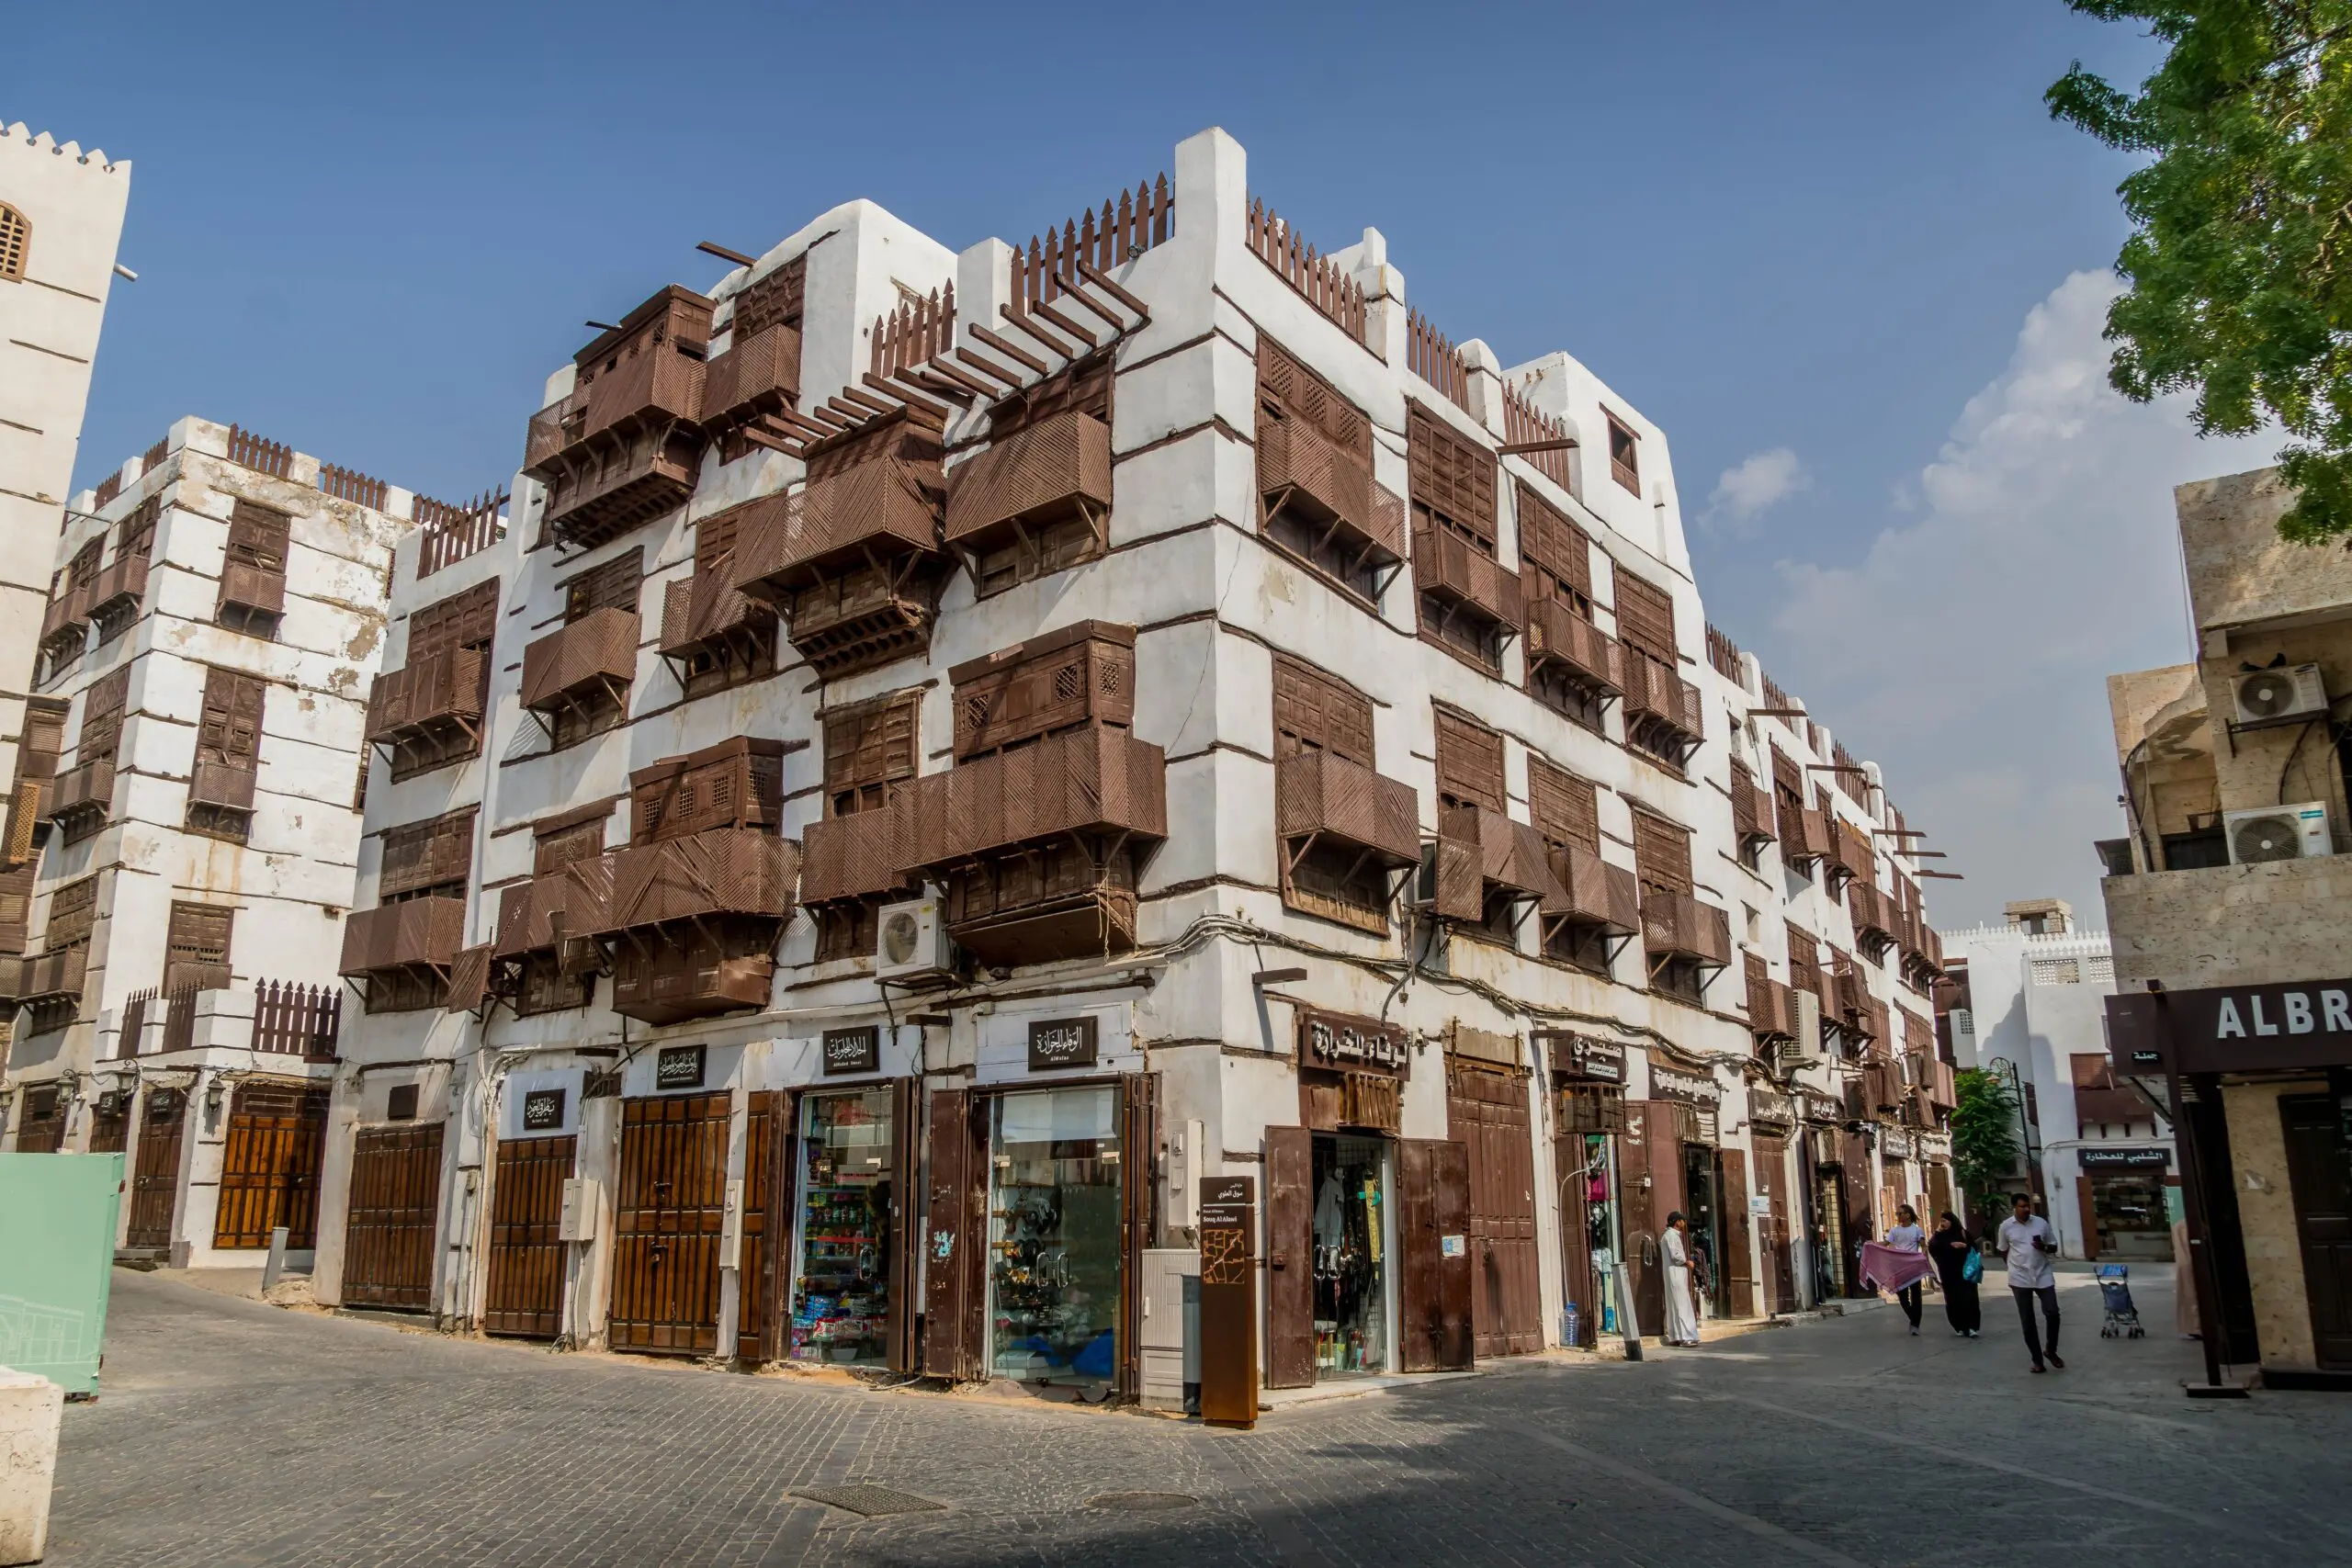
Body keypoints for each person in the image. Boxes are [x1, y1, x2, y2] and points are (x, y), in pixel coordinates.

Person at [1996, 1192, 2064, 1372]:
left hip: (2043, 1274)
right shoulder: (2005, 1227)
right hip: (2020, 1277)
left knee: (2052, 1312)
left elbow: (2054, 1246)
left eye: (2027, 1206)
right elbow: (2003, 1250)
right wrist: (2013, 1268)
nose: (2026, 1209)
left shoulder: (2040, 1223)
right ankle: (2037, 1361)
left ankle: (2050, 1349)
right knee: (2028, 1320)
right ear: (2014, 1208)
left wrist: (2044, 1247)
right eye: (2022, 1206)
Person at [1927, 1210, 1981, 1337]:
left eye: (1945, 1221)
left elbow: (1974, 1249)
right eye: (1941, 1221)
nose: (1943, 1223)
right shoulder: (1940, 1236)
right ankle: (1960, 1326)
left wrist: (1963, 1247)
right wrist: (1938, 1232)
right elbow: (1932, 1248)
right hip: (1948, 1274)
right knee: (1953, 1300)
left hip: (1965, 1273)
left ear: (1952, 1221)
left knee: (1969, 1299)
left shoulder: (1963, 1233)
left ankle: (1973, 1327)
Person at [1660, 1212, 1702, 1347]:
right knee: (1681, 1305)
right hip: (1675, 1274)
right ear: (1676, 1222)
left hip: (1675, 1275)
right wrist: (1687, 1262)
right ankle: (1686, 1336)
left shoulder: (1670, 1235)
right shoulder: (1671, 1236)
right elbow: (1675, 1255)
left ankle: (1676, 1336)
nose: (1684, 1223)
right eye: (1681, 1220)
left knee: (1676, 1304)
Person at [1884, 1205, 1928, 1335]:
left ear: (1908, 1215)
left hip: (1913, 1266)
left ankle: (1915, 1324)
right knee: (1902, 1296)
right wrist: (1871, 1245)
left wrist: (1923, 1255)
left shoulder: (1917, 1230)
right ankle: (1913, 1319)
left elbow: (1923, 1245)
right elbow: (1885, 1243)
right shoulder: (1894, 1231)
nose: (1898, 1216)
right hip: (1900, 1266)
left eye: (1900, 1213)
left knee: (1916, 1295)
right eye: (1897, 1214)